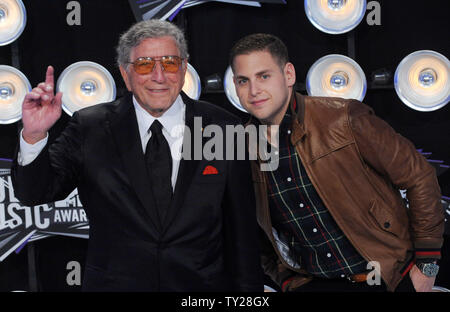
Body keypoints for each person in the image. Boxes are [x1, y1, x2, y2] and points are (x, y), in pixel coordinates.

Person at [11, 20, 263, 292]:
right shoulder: (90, 127)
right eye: (144, 65)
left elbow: (243, 232)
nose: (159, 76)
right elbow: (34, 193)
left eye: (169, 63)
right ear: (125, 73)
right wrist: (34, 136)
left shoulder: (223, 127)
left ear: (183, 68)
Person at [229, 33, 445, 292]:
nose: (254, 91)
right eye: (244, 81)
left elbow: (418, 175)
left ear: (288, 74)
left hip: (387, 279)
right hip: (314, 284)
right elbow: (250, 230)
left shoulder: (343, 118)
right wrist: (286, 281)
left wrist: (427, 267)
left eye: (264, 76)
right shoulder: (240, 149)